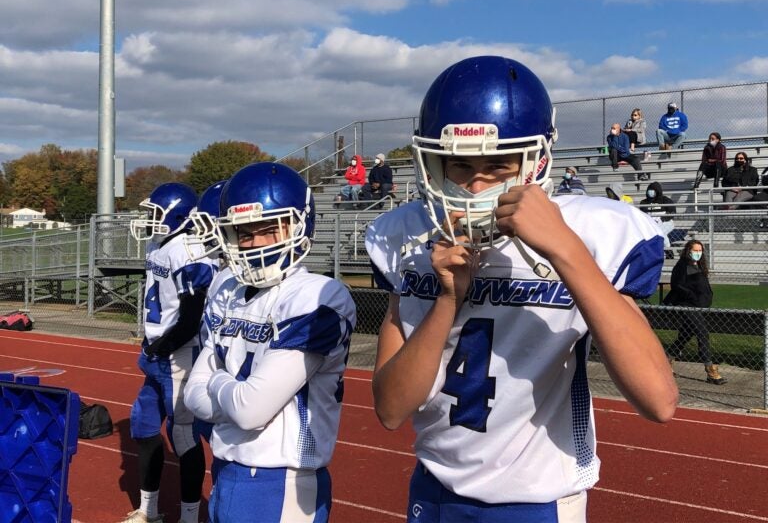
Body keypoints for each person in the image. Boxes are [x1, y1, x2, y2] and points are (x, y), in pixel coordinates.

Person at [365, 56, 677, 523]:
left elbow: (659, 400)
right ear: (433, 164)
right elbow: (391, 410)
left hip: (538, 501)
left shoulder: (590, 231)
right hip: (432, 491)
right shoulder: (406, 239)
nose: (475, 184)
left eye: (497, 165)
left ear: (537, 161)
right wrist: (446, 301)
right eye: (459, 165)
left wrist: (565, 250)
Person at [183, 162, 356, 523]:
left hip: (281, 481)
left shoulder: (315, 297)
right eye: (245, 233)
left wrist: (216, 381)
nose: (257, 243)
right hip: (228, 467)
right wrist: (231, 396)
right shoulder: (226, 288)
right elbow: (192, 398)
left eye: (270, 230)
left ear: (298, 225)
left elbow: (250, 409)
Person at [126, 183, 218, 523]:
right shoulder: (157, 244)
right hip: (156, 352)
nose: (149, 219)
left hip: (179, 354)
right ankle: (148, 510)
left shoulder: (188, 249)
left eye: (155, 213)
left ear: (177, 215)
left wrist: (163, 344)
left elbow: (192, 316)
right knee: (143, 427)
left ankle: (190, 517)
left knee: (182, 435)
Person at [663, 240, 726, 385]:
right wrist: (692, 296)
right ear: (688, 250)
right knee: (702, 332)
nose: (697, 253)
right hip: (687, 306)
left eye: (700, 250)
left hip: (699, 306)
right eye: (695, 250)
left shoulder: (698, 265)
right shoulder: (682, 266)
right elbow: (677, 285)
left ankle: (667, 361)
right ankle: (709, 368)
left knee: (686, 334)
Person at [638, 182, 676, 256]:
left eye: (653, 190)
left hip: (666, 222)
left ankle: (668, 250)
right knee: (654, 232)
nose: (651, 192)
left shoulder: (665, 200)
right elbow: (642, 215)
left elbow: (672, 212)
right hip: (651, 224)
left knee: (660, 232)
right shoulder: (644, 202)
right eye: (649, 190)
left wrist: (663, 219)